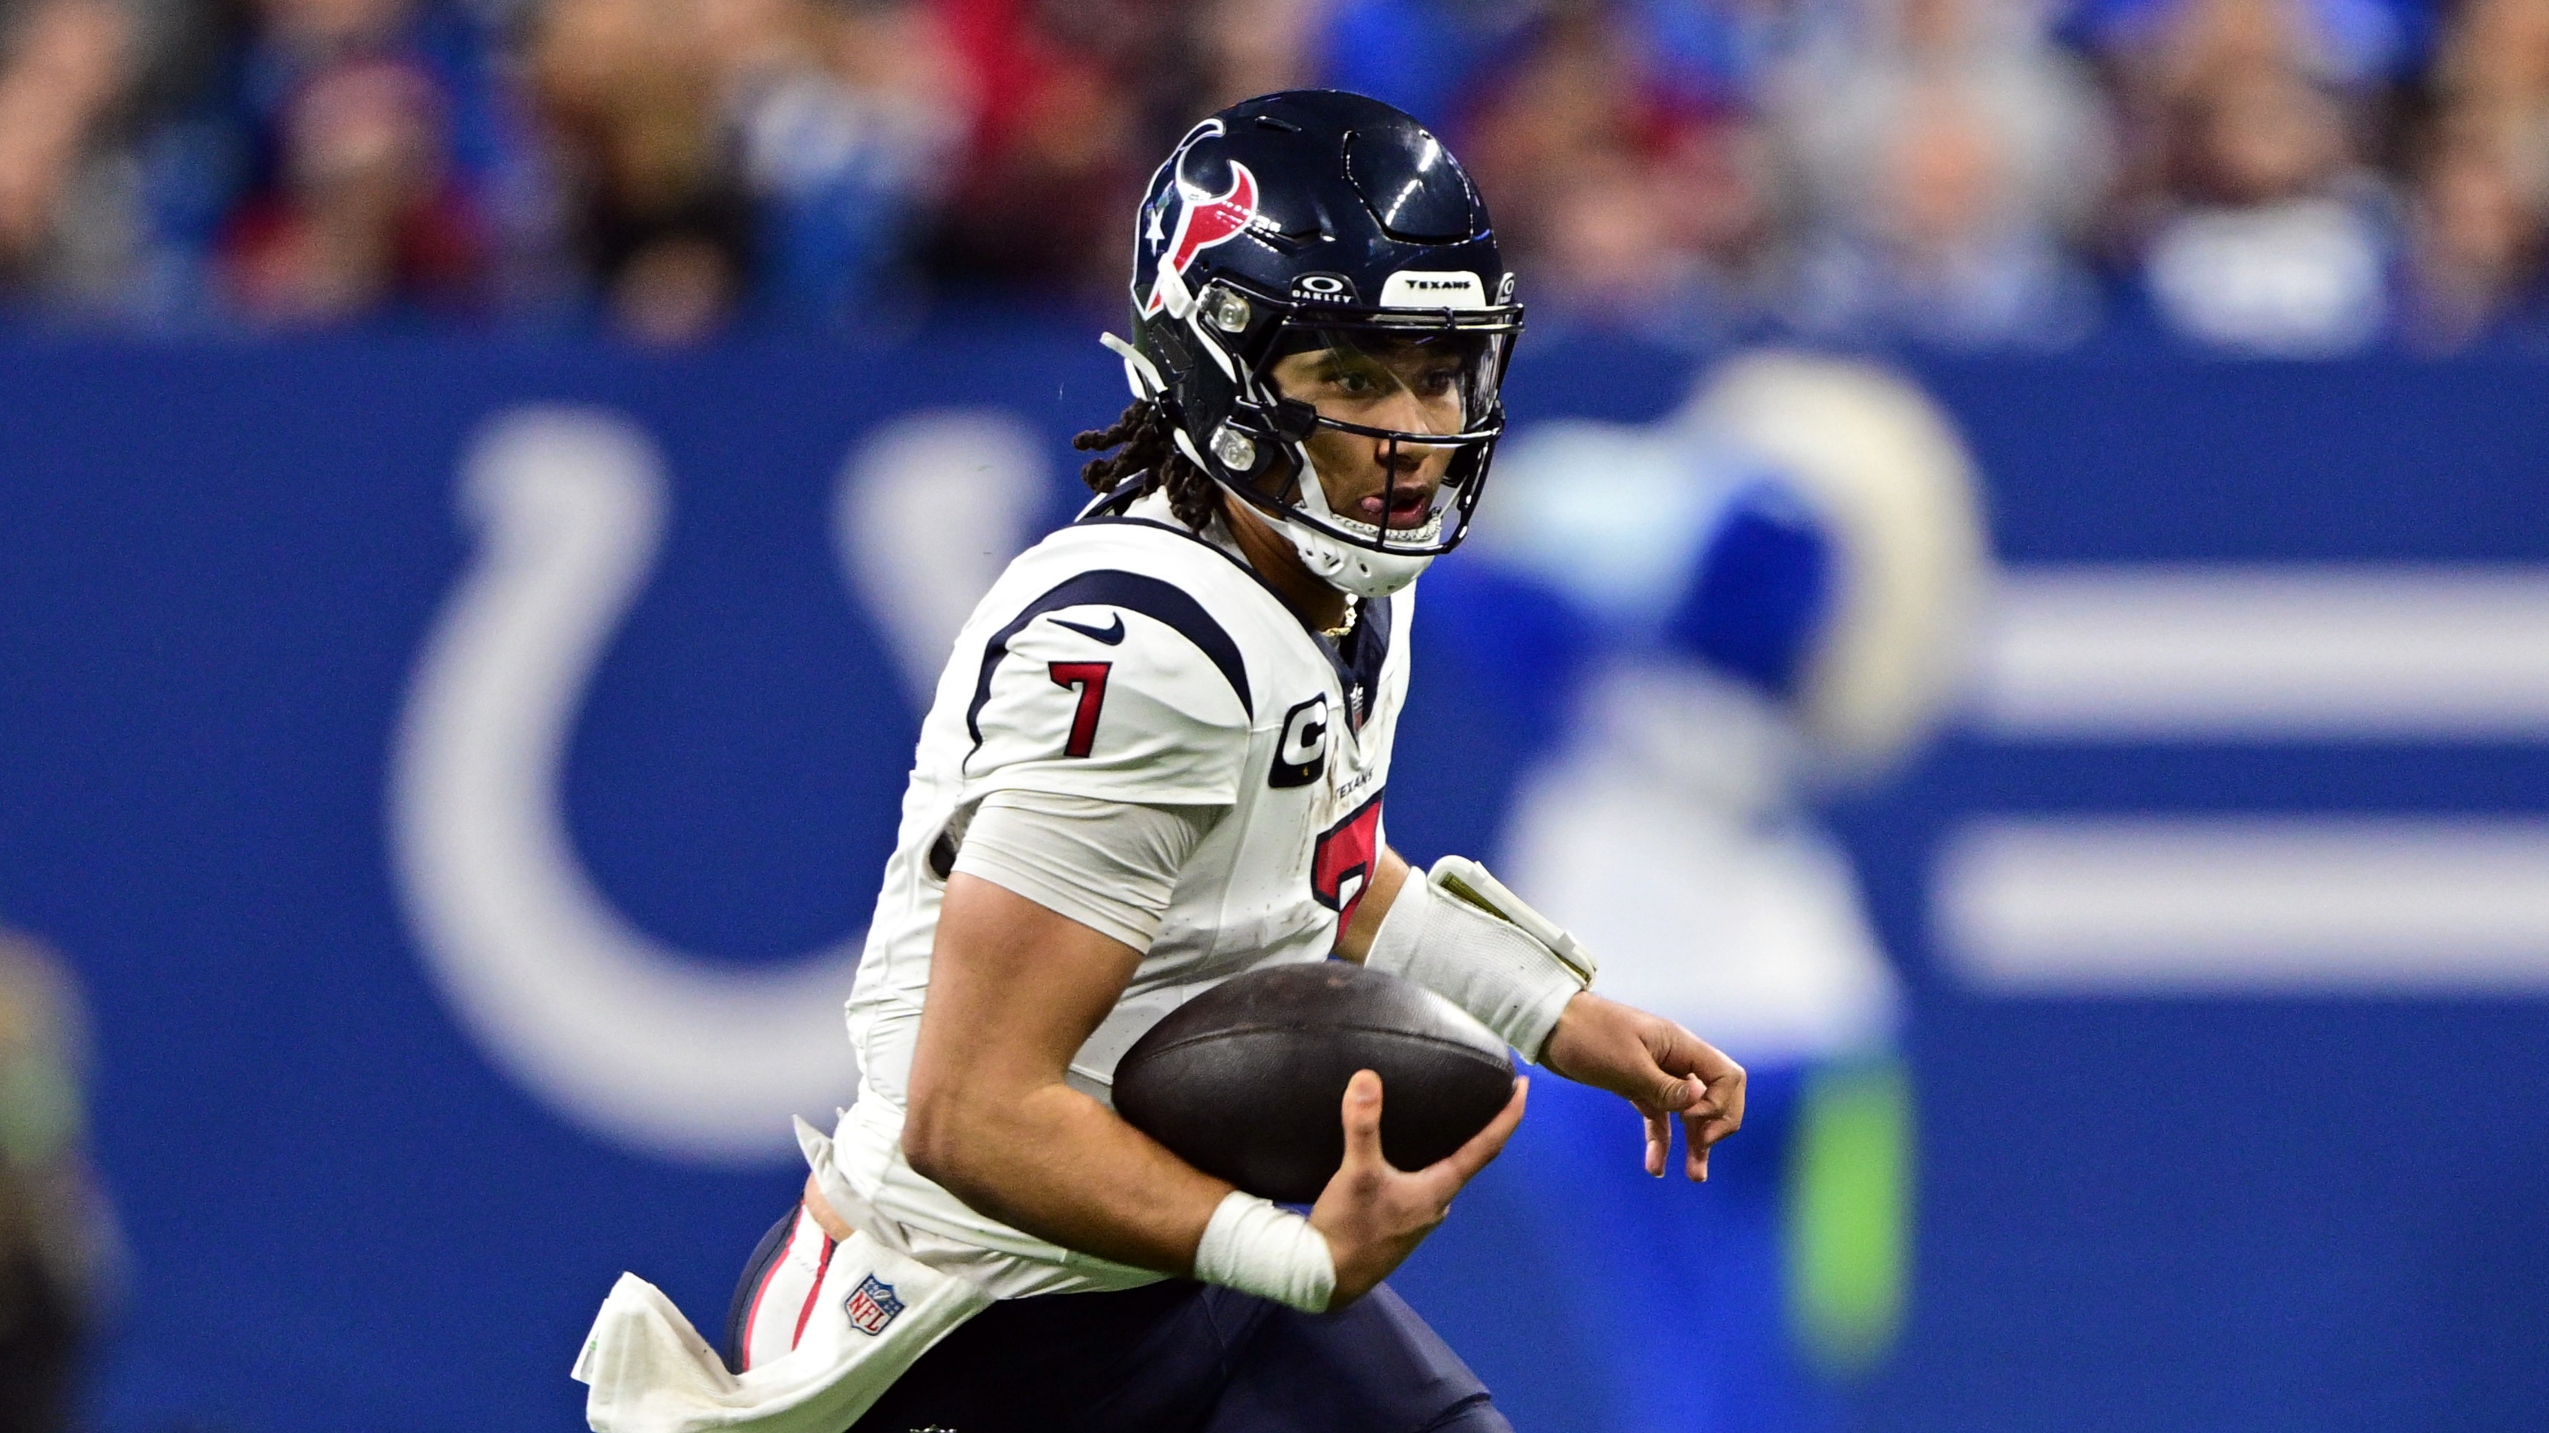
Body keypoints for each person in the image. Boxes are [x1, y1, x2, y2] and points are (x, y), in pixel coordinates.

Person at [574, 88, 1747, 1433]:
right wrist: (1291, 1251)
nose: (1412, 427)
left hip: (1173, 1274)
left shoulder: (1339, 569)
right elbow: (974, 1108)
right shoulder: (1146, 653)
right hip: (960, 1322)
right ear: (1219, 371)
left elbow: (1326, 869)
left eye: (1435, 368)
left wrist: (1560, 1016)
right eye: (1354, 376)